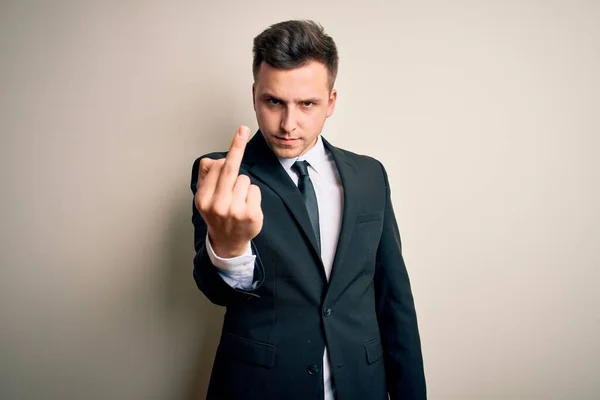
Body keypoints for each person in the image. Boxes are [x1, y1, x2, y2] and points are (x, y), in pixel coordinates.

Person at [190, 20, 426, 400]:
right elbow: (214, 291)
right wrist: (230, 250)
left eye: (307, 104)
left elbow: (393, 298)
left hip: (361, 386)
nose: (288, 124)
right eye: (273, 102)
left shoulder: (370, 175)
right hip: (261, 389)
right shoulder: (221, 175)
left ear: (331, 102)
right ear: (254, 96)